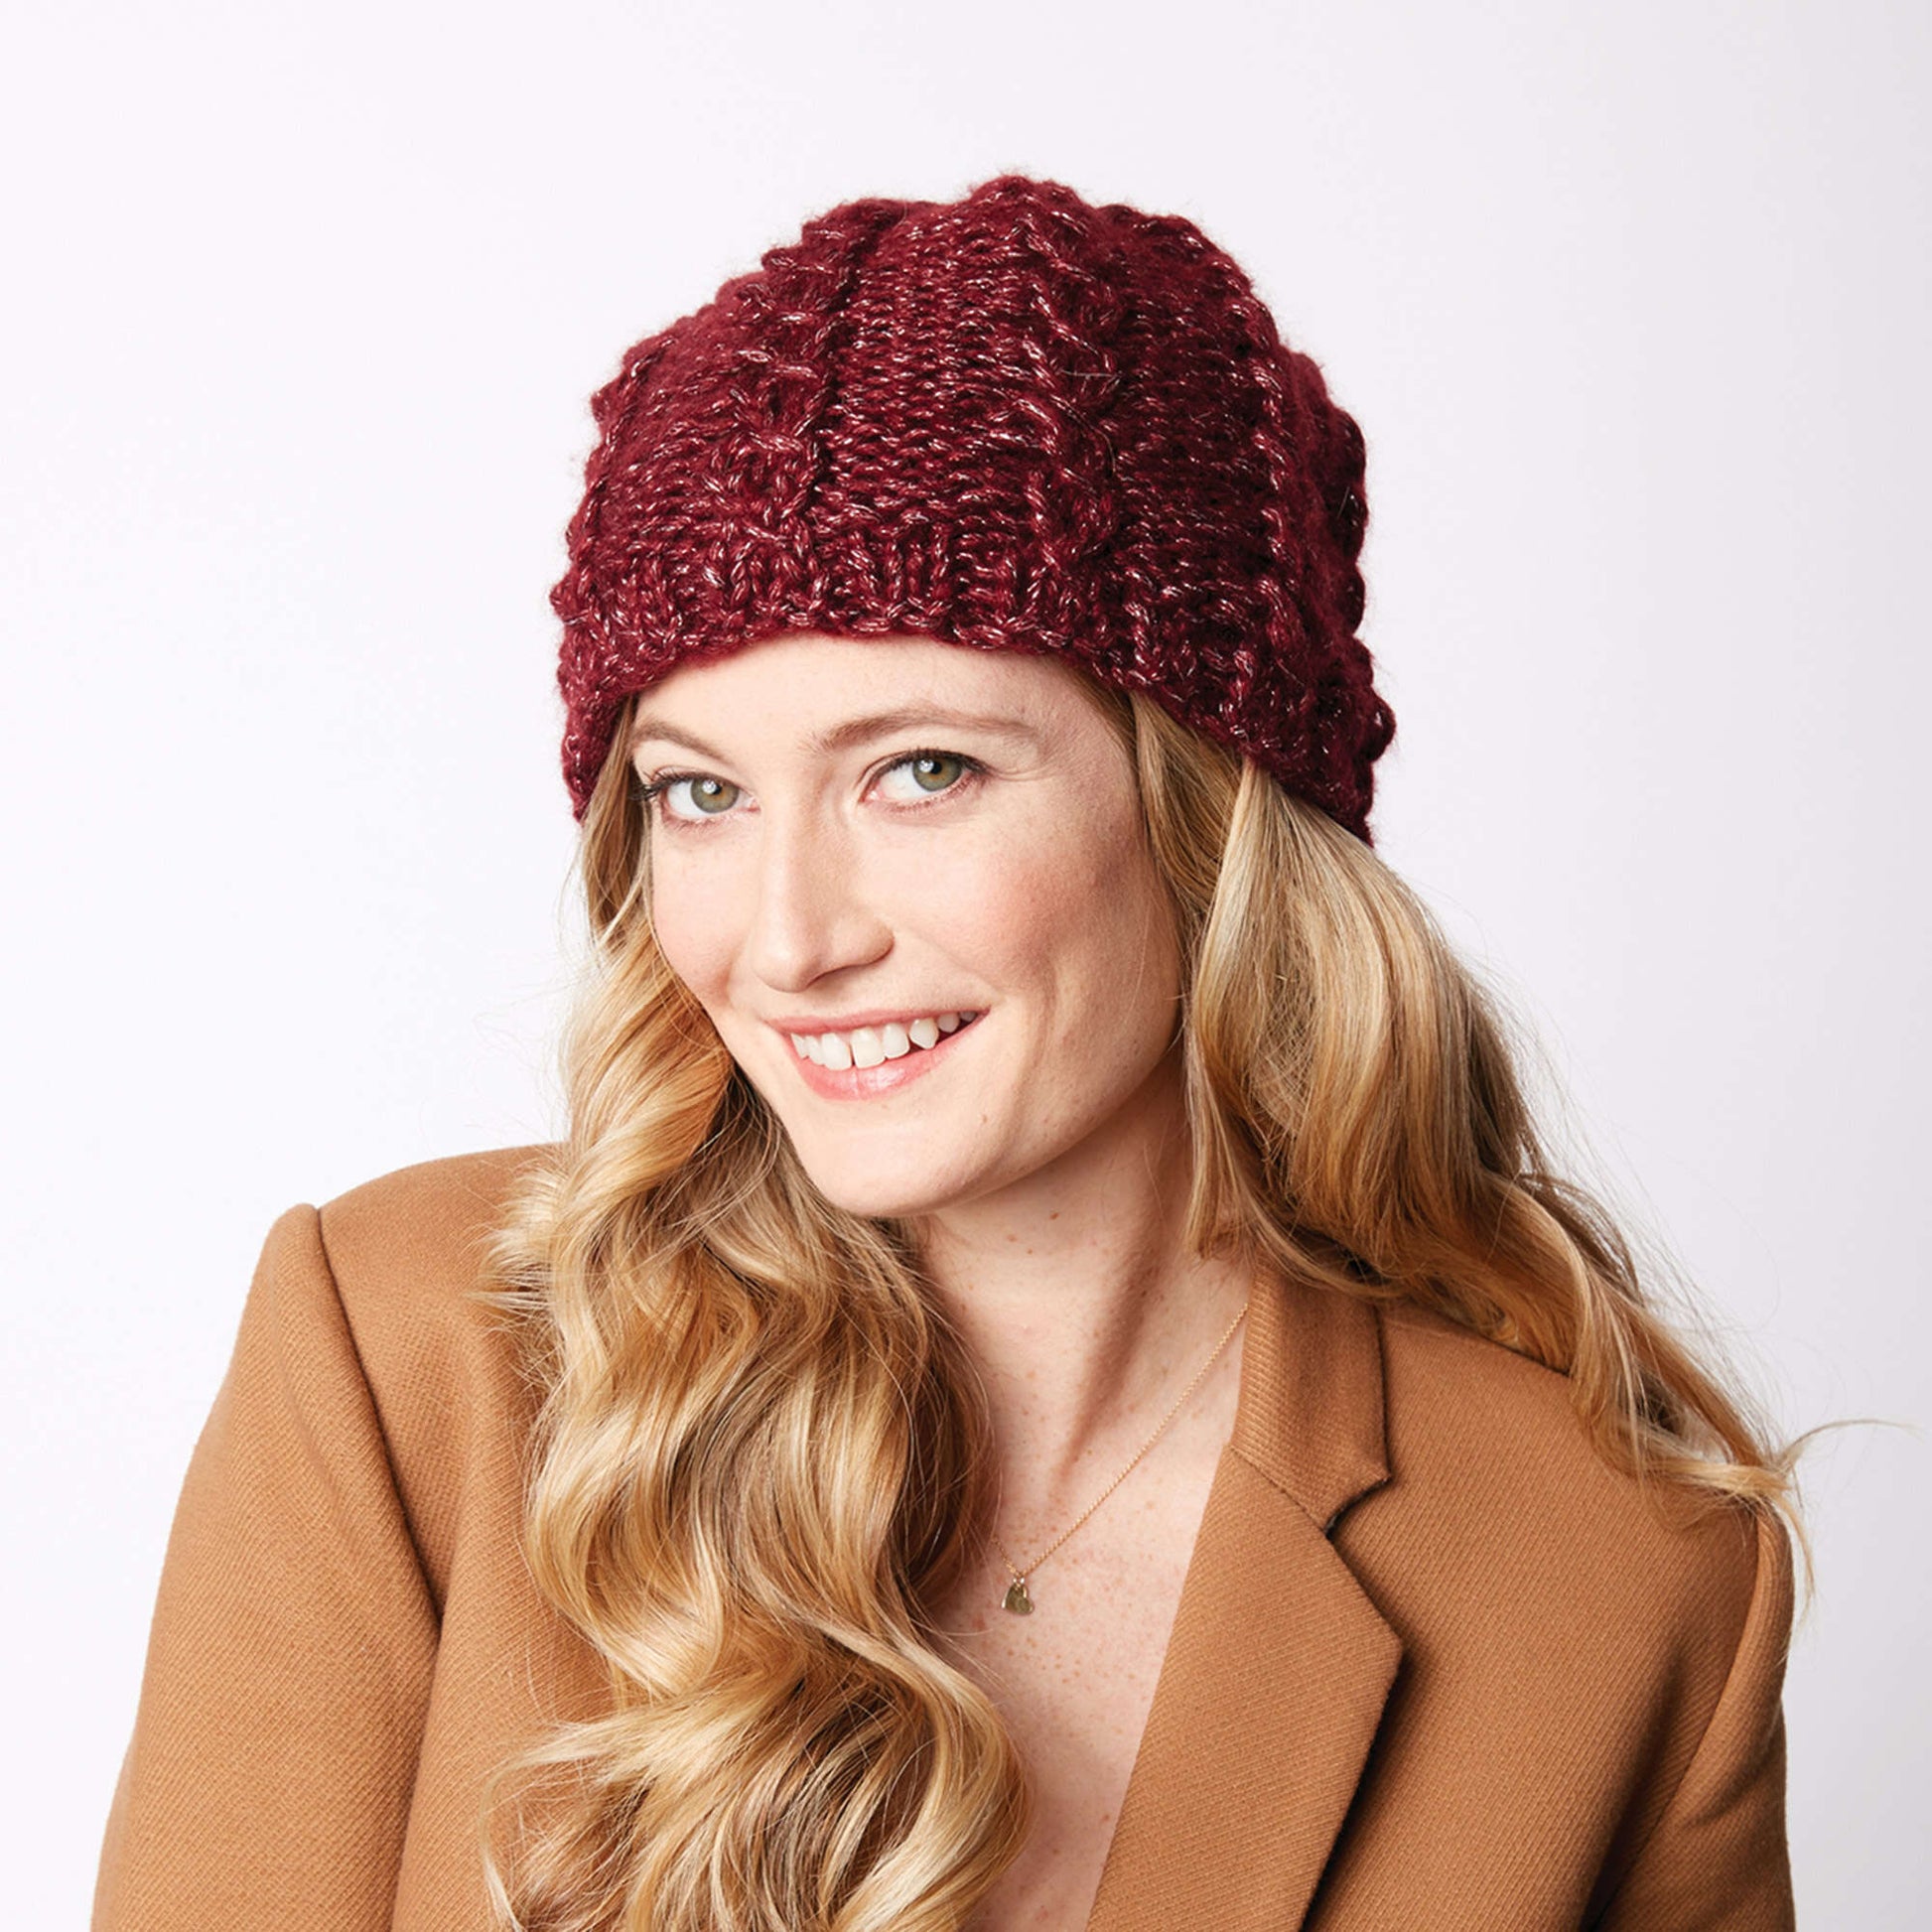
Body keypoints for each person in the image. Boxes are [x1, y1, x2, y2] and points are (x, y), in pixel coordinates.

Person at [92, 176, 1802, 1931]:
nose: (787, 938)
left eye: (922, 771)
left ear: (1210, 807)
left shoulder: (1614, 1579)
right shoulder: (409, 1362)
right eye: (701, 791)